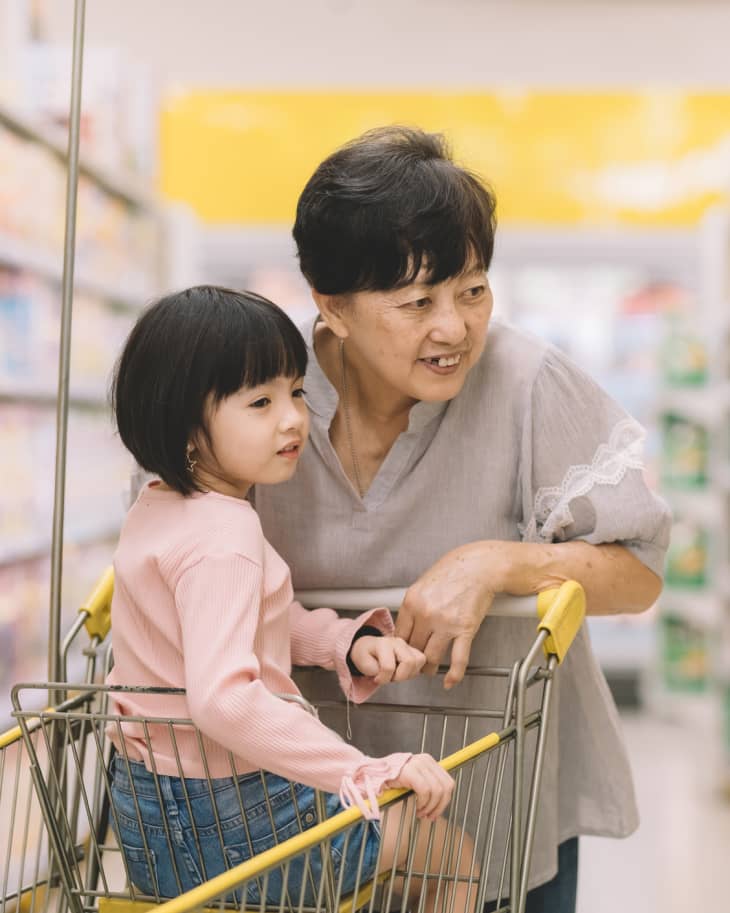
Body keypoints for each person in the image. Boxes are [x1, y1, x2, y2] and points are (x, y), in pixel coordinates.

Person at [252, 126, 673, 913]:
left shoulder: (526, 381)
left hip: (498, 794)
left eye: (473, 289)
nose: (454, 329)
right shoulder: (260, 390)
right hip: (305, 807)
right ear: (330, 305)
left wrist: (497, 562)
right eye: (417, 302)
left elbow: (639, 571)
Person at [105, 286, 465, 907]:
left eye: (296, 391)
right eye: (260, 402)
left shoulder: (158, 509)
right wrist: (365, 769)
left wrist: (339, 644)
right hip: (238, 820)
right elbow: (223, 701)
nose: (294, 418)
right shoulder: (227, 533)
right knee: (444, 851)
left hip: (147, 820)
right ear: (186, 423)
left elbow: (237, 620)